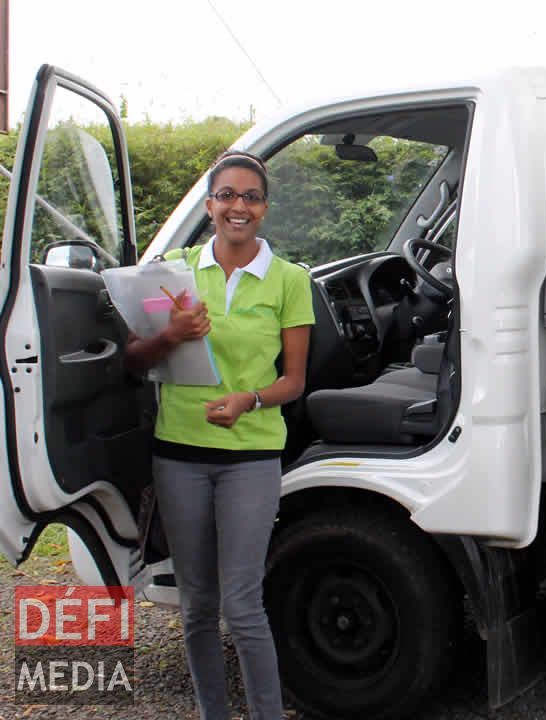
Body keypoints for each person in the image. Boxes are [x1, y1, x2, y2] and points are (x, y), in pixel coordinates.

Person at [126, 150, 314, 720]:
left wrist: (249, 400)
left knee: (243, 603)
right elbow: (135, 360)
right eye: (227, 195)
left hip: (251, 456)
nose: (239, 206)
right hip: (178, 454)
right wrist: (172, 334)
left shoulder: (290, 280)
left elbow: (295, 382)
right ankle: (212, 712)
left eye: (251, 197)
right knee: (198, 604)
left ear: (264, 209)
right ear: (210, 206)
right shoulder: (172, 273)